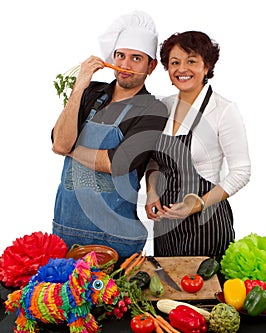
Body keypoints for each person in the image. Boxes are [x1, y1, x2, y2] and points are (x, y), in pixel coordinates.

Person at [51, 11, 168, 258]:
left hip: (116, 238)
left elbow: (115, 163)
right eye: (120, 56)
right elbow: (60, 140)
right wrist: (79, 86)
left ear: (151, 66)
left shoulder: (153, 110)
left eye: (136, 58)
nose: (125, 65)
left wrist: (70, 149)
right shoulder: (90, 93)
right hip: (66, 231)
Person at [145, 31, 251, 259]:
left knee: (206, 291)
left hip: (207, 223)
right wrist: (151, 192)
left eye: (191, 61)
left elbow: (241, 172)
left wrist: (198, 204)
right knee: (166, 289)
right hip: (166, 225)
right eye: (175, 62)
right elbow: (154, 160)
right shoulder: (163, 106)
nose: (182, 69)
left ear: (207, 66)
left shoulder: (223, 110)